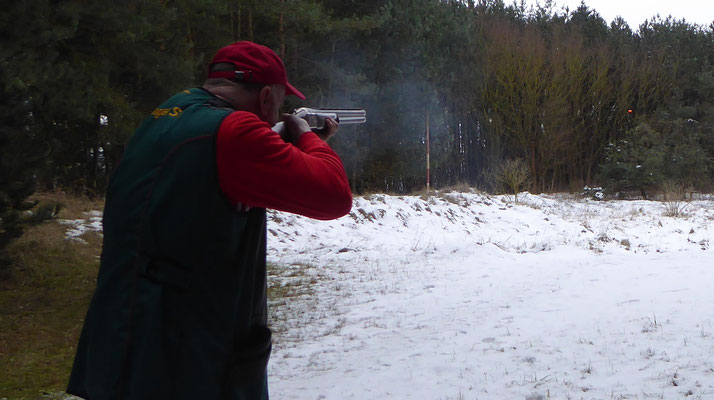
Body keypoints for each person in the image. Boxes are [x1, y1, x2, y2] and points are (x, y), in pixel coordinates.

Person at [67, 41, 353, 400]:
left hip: (120, 336)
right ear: (266, 97)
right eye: (278, 105)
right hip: (186, 355)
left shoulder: (167, 113)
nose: (276, 115)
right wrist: (307, 136)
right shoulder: (235, 133)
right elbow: (334, 196)